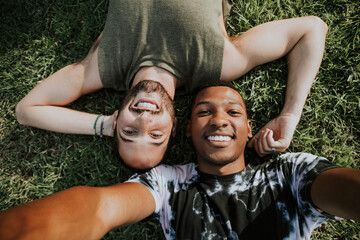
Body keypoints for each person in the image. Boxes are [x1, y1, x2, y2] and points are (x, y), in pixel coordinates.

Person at [2, 83, 359, 239]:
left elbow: (345, 190)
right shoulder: (167, 184)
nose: (219, 119)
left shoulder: (290, 173)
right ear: (186, 130)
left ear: (249, 127)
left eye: (233, 112)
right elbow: (98, 209)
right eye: (204, 112)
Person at [15, 0, 329, 169]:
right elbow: (311, 30)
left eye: (129, 131)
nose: (144, 119)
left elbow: (26, 110)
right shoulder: (219, 63)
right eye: (155, 134)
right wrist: (289, 116)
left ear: (117, 117)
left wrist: (104, 125)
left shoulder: (101, 69)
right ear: (175, 125)